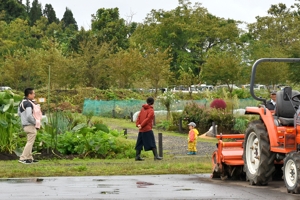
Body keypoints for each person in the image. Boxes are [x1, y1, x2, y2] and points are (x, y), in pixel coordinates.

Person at [135, 97, 162, 161]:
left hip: (141, 129)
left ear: (147, 102)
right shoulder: (151, 110)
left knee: (139, 143)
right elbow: (148, 119)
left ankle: (137, 156)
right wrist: (141, 125)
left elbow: (138, 117)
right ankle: (156, 156)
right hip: (147, 128)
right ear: (153, 102)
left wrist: (138, 124)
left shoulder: (142, 109)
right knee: (151, 142)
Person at [18, 88, 40, 164]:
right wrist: (35, 122)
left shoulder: (22, 102)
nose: (34, 95)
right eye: (33, 94)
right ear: (29, 94)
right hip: (30, 125)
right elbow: (29, 116)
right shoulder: (28, 103)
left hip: (25, 125)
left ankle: (29, 158)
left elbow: (19, 114)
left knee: (30, 141)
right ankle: (23, 158)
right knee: (30, 142)